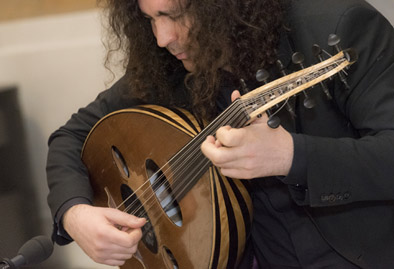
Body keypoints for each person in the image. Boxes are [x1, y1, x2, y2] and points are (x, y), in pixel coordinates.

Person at [46, 0, 394, 268]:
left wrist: (291, 156)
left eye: (176, 13)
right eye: (150, 18)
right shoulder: (169, 64)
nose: (162, 37)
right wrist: (74, 215)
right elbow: (72, 136)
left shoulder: (339, 23)